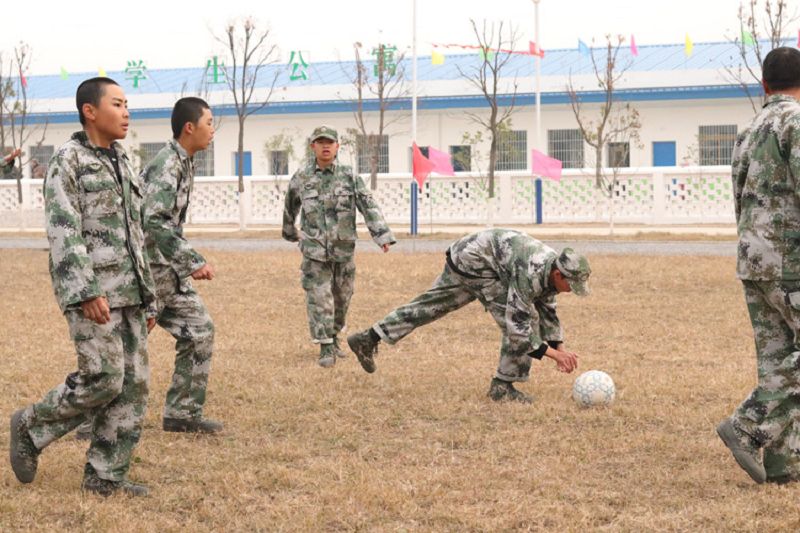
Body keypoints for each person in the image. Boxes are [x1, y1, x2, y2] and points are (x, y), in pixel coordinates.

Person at [9, 77, 157, 496]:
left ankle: (105, 476)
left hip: (130, 293)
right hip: (94, 293)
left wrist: (148, 297)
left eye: (127, 104)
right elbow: (63, 229)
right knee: (104, 378)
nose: (126, 112)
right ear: (90, 111)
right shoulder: (68, 161)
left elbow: (136, 232)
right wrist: (85, 290)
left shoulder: (124, 161)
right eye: (117, 104)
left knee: (133, 386)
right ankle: (32, 424)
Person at [347, 228, 589, 403]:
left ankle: (369, 338)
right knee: (521, 320)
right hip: (475, 261)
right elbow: (518, 328)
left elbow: (548, 307)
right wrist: (555, 355)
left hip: (467, 255)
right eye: (572, 285)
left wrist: (560, 346)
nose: (572, 291)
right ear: (558, 274)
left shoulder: (550, 271)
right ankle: (502, 387)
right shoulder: (533, 272)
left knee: (431, 305)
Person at [717, 46, 800, 485]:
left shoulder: (747, 131)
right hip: (792, 264)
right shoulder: (797, 123)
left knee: (778, 362)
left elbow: (738, 200)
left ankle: (785, 463)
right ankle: (747, 426)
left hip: (754, 261)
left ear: (764, 84)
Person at [282, 125, 395, 368]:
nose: (325, 146)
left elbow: (368, 205)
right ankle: (325, 346)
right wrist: (290, 232)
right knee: (320, 297)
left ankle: (334, 338)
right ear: (312, 146)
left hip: (343, 250)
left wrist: (382, 234)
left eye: (330, 142)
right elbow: (290, 206)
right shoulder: (302, 177)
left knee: (342, 299)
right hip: (314, 251)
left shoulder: (349, 176)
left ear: (337, 146)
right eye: (320, 142)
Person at [141, 97, 221, 433]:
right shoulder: (168, 165)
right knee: (121, 348)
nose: (213, 130)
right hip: (149, 271)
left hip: (168, 271)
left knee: (199, 330)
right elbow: (154, 221)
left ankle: (182, 414)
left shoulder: (184, 161)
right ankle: (89, 419)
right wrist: (191, 261)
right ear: (190, 127)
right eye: (209, 122)